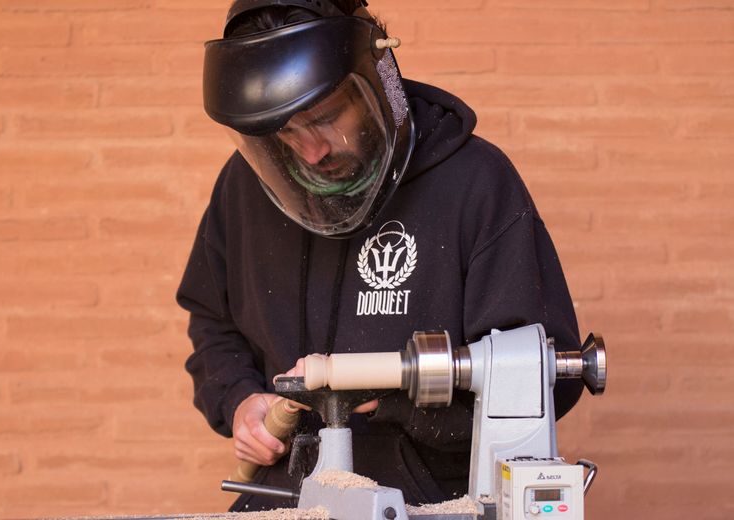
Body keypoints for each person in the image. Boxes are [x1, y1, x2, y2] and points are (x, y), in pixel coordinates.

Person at [176, 0, 584, 512]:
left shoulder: (475, 182)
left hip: (434, 502)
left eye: (325, 118)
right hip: (284, 498)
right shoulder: (242, 189)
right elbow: (212, 323)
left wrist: (397, 400)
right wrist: (239, 400)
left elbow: (542, 380)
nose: (311, 152)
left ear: (379, 78)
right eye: (284, 132)